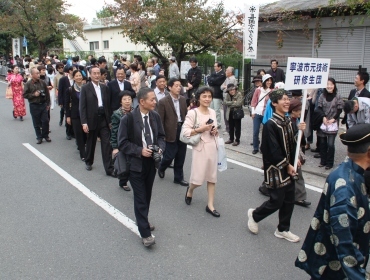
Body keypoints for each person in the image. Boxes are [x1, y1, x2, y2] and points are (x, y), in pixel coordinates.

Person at [296, 123, 370, 280]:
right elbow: (343, 238)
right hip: (334, 266)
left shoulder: (351, 171)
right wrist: (357, 275)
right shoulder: (345, 185)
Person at [247, 89, 305, 243]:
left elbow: (293, 144)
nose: (287, 102)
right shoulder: (270, 125)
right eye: (283, 99)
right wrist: (286, 165)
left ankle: (283, 229)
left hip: (289, 167)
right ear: (274, 103)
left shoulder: (289, 122)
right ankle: (254, 215)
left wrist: (297, 157)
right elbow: (272, 150)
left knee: (289, 200)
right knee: (276, 201)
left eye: (288, 99)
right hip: (276, 169)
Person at [118, 87, 166, 247]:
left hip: (151, 163)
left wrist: (159, 148)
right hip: (135, 164)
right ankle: (145, 233)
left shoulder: (155, 116)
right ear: (142, 101)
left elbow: (161, 136)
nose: (155, 102)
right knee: (139, 197)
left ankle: (143, 220)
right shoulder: (128, 119)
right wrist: (140, 151)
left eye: (155, 99)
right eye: (152, 99)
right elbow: (122, 143)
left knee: (146, 195)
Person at [183, 86, 220, 217]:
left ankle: (210, 205)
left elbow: (215, 128)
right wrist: (200, 129)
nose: (207, 99)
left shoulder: (213, 112)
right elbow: (185, 132)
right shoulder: (193, 113)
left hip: (212, 147)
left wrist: (215, 131)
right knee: (197, 180)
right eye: (204, 96)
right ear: (198, 97)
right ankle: (190, 189)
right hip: (200, 148)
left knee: (212, 178)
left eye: (209, 96)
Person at [79, 67, 114, 176]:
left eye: (98, 73)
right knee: (91, 142)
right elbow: (82, 107)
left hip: (103, 118)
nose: (97, 75)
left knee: (106, 144)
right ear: (90, 75)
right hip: (91, 119)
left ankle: (109, 169)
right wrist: (84, 122)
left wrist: (109, 120)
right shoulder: (85, 88)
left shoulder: (104, 88)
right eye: (94, 73)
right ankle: (88, 161)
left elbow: (108, 105)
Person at [157, 78, 189, 186]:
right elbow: (160, 120)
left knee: (181, 155)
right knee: (169, 155)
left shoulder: (183, 100)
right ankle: (162, 166)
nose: (179, 88)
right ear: (169, 87)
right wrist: (161, 135)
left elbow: (185, 115)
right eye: (176, 85)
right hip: (169, 131)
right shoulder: (163, 102)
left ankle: (178, 178)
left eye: (180, 86)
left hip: (182, 129)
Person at [316, 78, 343, 170]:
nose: (329, 86)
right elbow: (319, 107)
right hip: (323, 122)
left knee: (330, 144)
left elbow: (340, 109)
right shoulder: (322, 96)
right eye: (327, 84)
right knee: (322, 143)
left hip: (333, 123)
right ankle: (323, 161)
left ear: (334, 85)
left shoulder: (338, 96)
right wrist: (323, 117)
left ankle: (329, 163)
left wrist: (333, 119)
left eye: (331, 84)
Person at [111, 91, 134, 191]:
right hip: (122, 142)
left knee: (134, 164)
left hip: (134, 142)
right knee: (124, 163)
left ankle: (134, 182)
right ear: (121, 102)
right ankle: (123, 181)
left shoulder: (135, 112)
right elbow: (114, 131)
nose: (127, 101)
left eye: (129, 99)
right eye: (124, 99)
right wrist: (115, 147)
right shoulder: (116, 114)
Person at [23, 67, 51, 144]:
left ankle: (46, 135)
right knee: (36, 122)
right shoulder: (28, 84)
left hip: (43, 104)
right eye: (37, 73)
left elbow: (47, 94)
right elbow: (24, 95)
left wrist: (48, 104)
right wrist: (33, 95)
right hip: (34, 105)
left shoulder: (42, 82)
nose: (38, 75)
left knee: (45, 121)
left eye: (39, 73)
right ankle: (39, 137)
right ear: (32, 75)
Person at [65, 70, 87, 161]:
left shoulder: (86, 88)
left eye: (80, 75)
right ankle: (83, 154)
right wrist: (68, 116)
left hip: (85, 115)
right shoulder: (70, 90)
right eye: (76, 76)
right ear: (73, 77)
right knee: (78, 134)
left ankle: (82, 145)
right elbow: (67, 104)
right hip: (75, 114)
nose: (78, 77)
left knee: (85, 134)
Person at [250, 74, 274, 154]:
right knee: (255, 132)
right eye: (268, 80)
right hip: (257, 113)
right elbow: (253, 101)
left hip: (266, 114)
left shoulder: (272, 91)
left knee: (265, 133)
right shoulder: (258, 90)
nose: (269, 82)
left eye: (270, 80)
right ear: (264, 81)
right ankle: (255, 147)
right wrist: (253, 112)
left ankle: (263, 148)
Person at [58, 66, 75, 140]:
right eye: (74, 70)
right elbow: (60, 91)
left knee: (74, 117)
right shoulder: (63, 80)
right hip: (66, 101)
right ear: (70, 71)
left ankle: (73, 132)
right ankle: (68, 133)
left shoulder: (76, 79)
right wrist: (60, 101)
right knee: (68, 116)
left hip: (75, 101)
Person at [207, 61, 226, 129]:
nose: (214, 67)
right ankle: (211, 122)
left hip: (218, 93)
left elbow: (218, 82)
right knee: (211, 108)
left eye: (216, 66)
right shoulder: (213, 73)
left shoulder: (222, 74)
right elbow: (209, 81)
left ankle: (218, 123)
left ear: (219, 67)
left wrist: (212, 80)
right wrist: (213, 80)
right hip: (212, 93)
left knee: (217, 109)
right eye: (214, 66)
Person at [221, 66, 237, 133]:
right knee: (225, 113)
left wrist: (225, 87)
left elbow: (230, 89)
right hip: (225, 98)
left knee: (229, 113)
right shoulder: (226, 79)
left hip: (229, 99)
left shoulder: (233, 79)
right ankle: (227, 127)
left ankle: (230, 128)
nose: (225, 72)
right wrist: (225, 87)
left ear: (230, 72)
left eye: (227, 70)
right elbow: (221, 87)